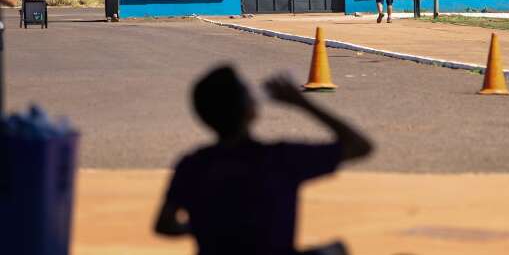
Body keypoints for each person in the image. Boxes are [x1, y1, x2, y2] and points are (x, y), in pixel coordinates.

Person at [154, 66, 372, 255]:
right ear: (249, 111)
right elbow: (360, 146)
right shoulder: (279, 159)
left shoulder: (192, 165)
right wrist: (302, 103)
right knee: (335, 250)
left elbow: (164, 224)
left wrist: (209, 226)